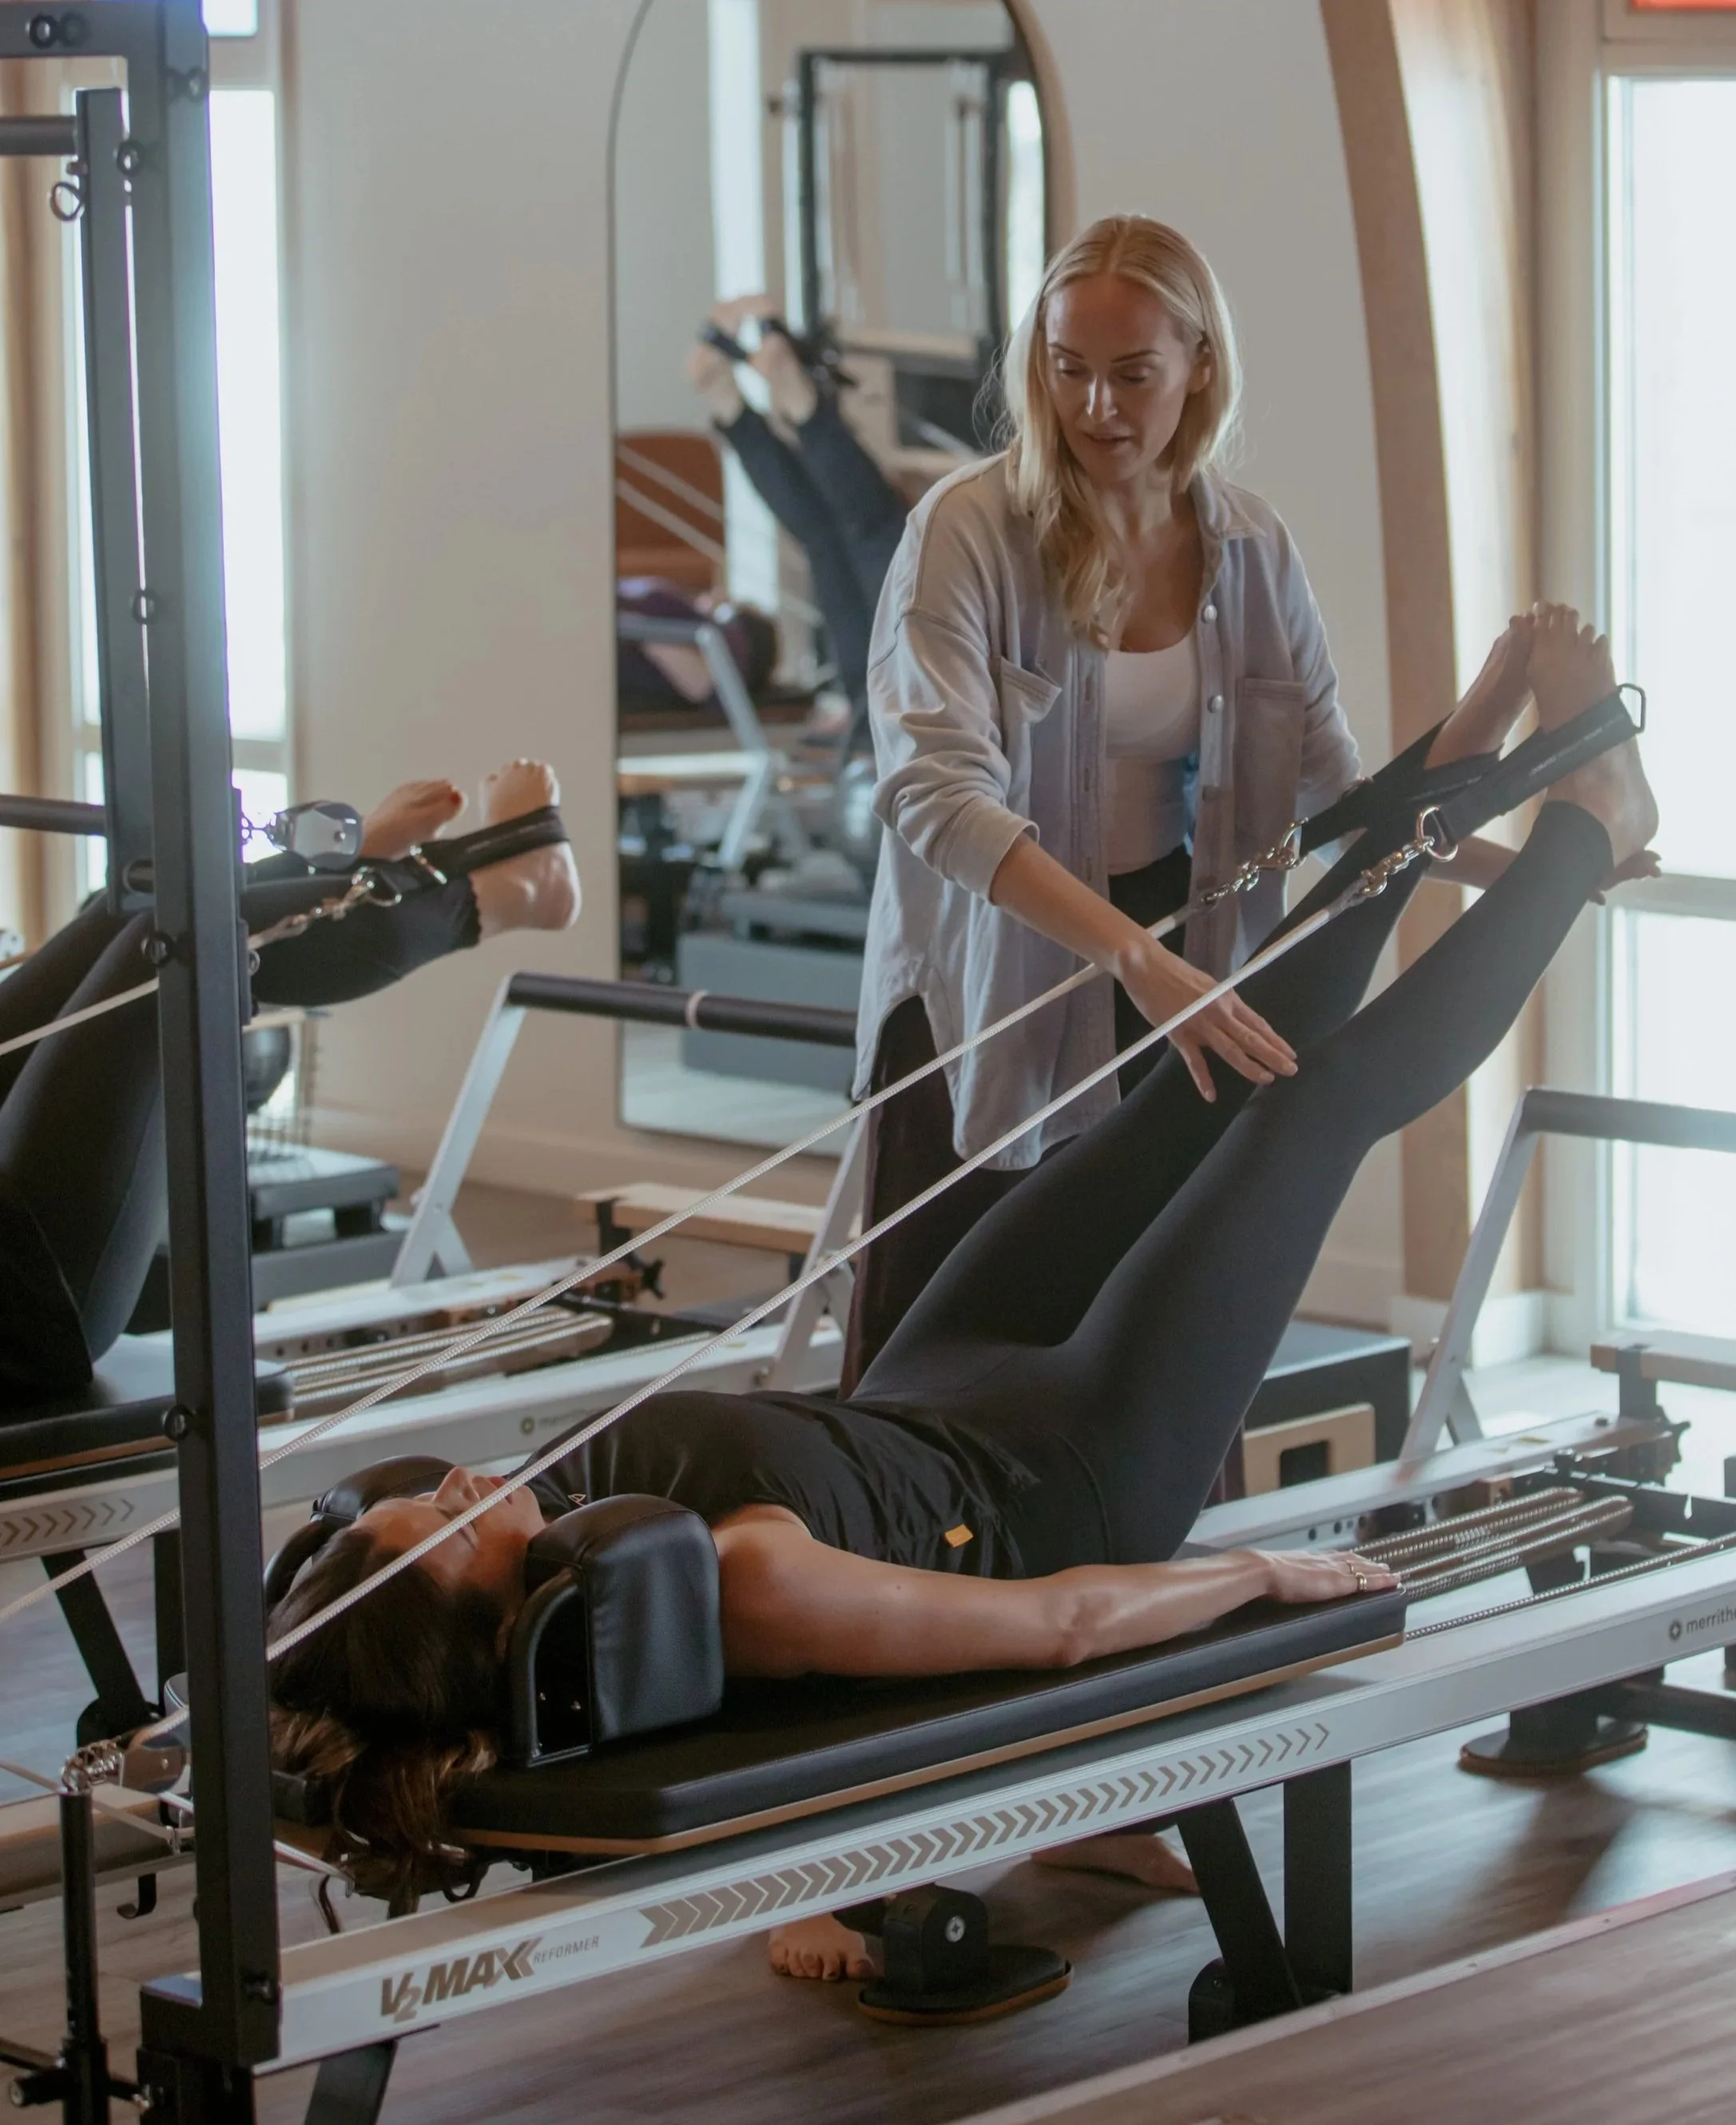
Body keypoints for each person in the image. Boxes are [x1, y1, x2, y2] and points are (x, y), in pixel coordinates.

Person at [266, 610, 1659, 1922]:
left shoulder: (581, 1535)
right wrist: (1263, 1583)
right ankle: (1589, 834)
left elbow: (334, 1620)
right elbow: (1058, 1627)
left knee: (1205, 1062)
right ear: (498, 1621)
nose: (452, 1486)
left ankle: (1462, 764)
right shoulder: (737, 1586)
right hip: (1077, 1470)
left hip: (935, 1388)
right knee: (1310, 1104)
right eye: (444, 1533)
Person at [844, 213, 1539, 1392]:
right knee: (938, 1353)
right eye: (1067, 371)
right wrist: (1135, 960)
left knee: (1141, 1346)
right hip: (993, 983)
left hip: (1179, 964)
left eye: (1132, 376)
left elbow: (1338, 798)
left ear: (1200, 368)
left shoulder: (1252, 548)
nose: (1095, 408)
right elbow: (933, 794)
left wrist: (1535, 866)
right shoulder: (965, 531)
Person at [0, 761, 580, 1397]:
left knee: (131, 909)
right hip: (25, 1314)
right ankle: (495, 892)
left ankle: (353, 869)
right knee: (169, 953)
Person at [686, 296, 912, 719]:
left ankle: (742, 410)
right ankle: (786, 409)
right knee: (869, 531)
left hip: (877, 717)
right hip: (891, 715)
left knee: (831, 538)